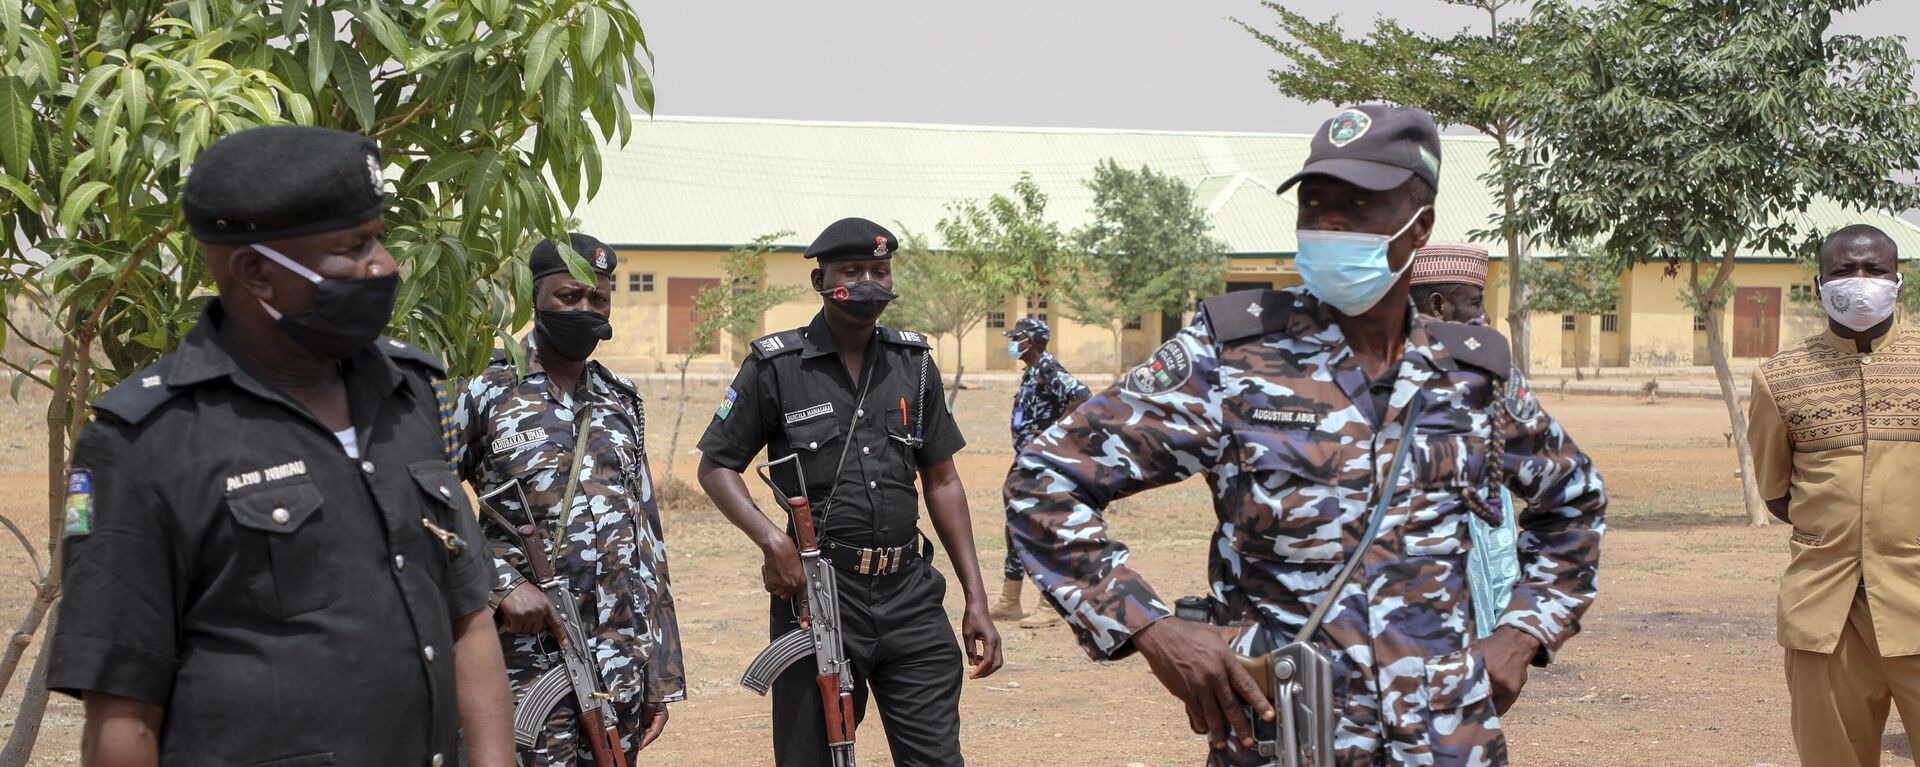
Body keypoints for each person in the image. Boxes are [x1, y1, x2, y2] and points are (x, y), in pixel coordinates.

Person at [1004, 105, 1608, 766]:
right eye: (1315, 204)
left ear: (1419, 225)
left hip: (1446, 741)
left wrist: (1523, 631)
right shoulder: (1231, 355)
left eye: (1358, 204)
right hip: (1286, 738)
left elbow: (1574, 502)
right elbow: (1044, 479)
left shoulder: (1470, 373)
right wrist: (1150, 624)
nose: (1330, 225)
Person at [47, 125, 514, 766]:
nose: (383, 266)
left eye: (378, 238)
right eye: (352, 248)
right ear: (257, 274)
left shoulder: (406, 396)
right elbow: (123, 719)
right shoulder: (145, 442)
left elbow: (466, 617)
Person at [696, 217, 1004, 766]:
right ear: (821, 280)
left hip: (910, 593)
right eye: (852, 270)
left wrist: (975, 597)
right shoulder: (777, 365)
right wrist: (773, 542)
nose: (867, 281)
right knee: (809, 757)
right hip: (818, 595)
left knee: (936, 758)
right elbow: (717, 466)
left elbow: (943, 480)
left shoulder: (915, 365)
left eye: (879, 271)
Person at [454, 233, 684, 764]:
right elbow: (421, 503)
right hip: (521, 662)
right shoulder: (484, 389)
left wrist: (659, 669)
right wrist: (501, 584)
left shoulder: (620, 399)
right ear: (534, 299)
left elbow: (646, 539)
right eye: (568, 297)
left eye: (597, 299)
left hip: (617, 660)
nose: (585, 309)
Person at [1748, 224, 1919, 767]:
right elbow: (1778, 495)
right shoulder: (1781, 377)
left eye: (1874, 270)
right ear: (1820, 285)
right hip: (1827, 612)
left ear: (1899, 280)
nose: (1861, 282)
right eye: (1845, 271)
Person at [1408, 242, 1525, 643]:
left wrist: (1510, 628)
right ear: (1439, 307)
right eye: (1476, 302)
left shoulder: (1487, 388)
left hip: (1482, 627)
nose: (1487, 316)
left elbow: (1501, 520)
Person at [989, 316, 1090, 628]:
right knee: (1015, 523)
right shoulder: (1032, 371)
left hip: (1044, 462)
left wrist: (1054, 433)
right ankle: (1010, 599)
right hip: (1027, 459)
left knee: (1044, 527)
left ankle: (1051, 604)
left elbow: (1082, 395)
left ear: (1029, 341)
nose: (1012, 343)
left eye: (1016, 337)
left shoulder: (1047, 366)